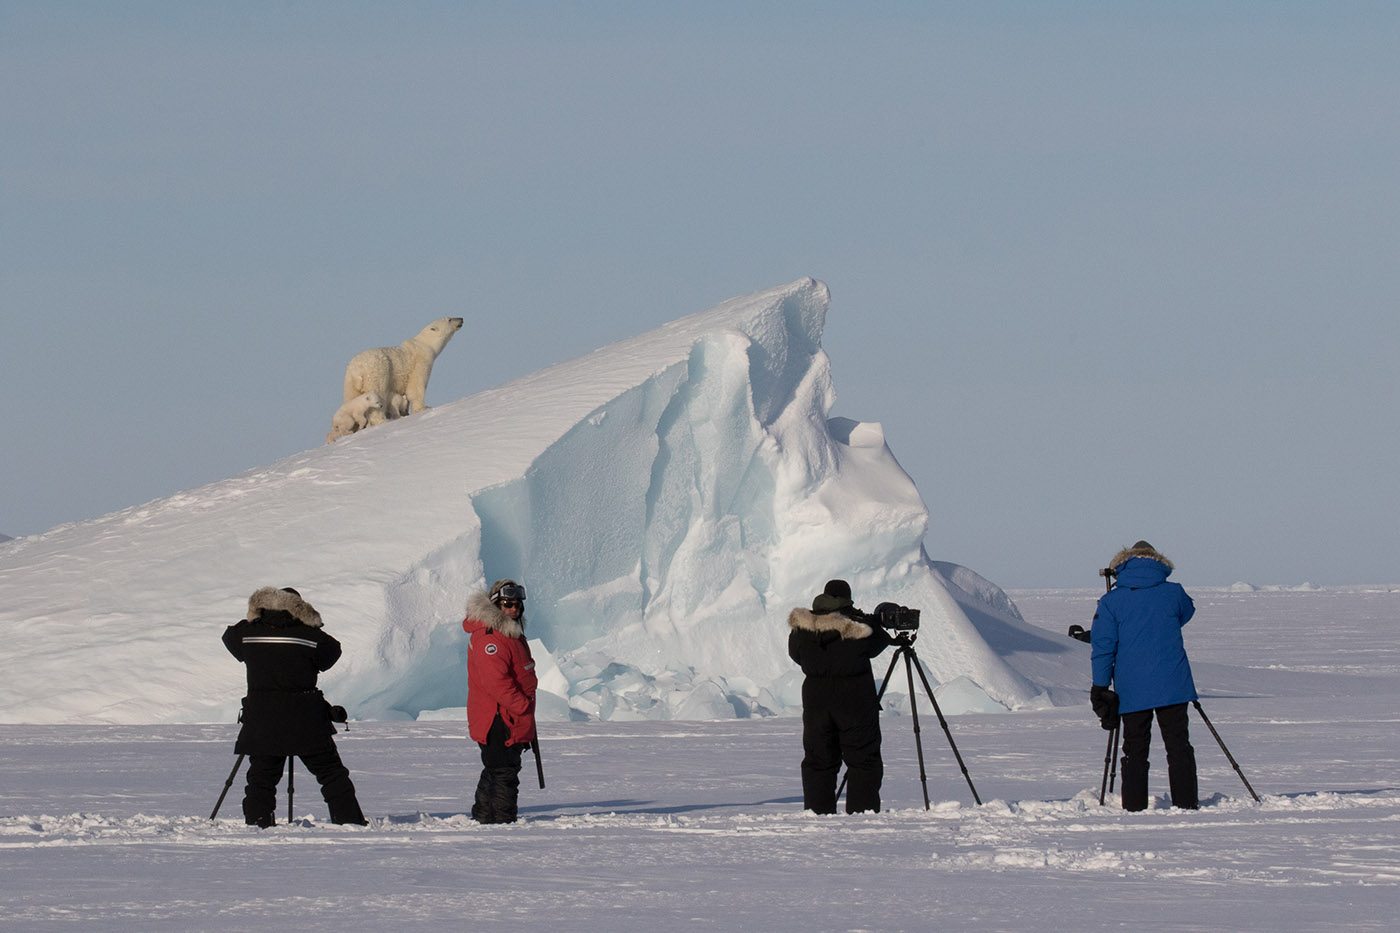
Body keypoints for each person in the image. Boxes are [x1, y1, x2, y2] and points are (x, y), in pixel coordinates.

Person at [221, 587, 367, 827]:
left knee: (262, 776)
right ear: (300, 608)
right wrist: (311, 623)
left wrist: (253, 616)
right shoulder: (309, 637)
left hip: (262, 717)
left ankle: (258, 823)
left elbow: (229, 636)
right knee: (330, 773)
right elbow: (332, 652)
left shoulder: (248, 634)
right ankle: (349, 820)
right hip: (306, 717)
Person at [1090, 541, 1199, 811]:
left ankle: (1134, 807)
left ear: (1121, 566)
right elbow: (1186, 613)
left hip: (1132, 686)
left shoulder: (1111, 601)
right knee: (1178, 744)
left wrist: (1100, 686)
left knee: (1135, 746)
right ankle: (1187, 804)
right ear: (1158, 563)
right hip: (1173, 681)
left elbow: (1103, 647)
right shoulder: (1174, 593)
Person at [787, 579, 893, 814]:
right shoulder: (857, 627)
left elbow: (796, 655)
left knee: (818, 761)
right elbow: (879, 643)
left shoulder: (802, 629)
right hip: (854, 700)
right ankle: (861, 816)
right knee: (863, 760)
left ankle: (817, 815)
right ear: (847, 600)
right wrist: (875, 622)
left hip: (816, 702)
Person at [462, 578, 538, 824]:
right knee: (504, 772)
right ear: (496, 606)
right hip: (498, 718)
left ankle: (485, 817)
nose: (513, 609)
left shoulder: (509, 633)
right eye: (507, 604)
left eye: (516, 604)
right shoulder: (491, 639)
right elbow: (497, 683)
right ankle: (502, 822)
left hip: (507, 716)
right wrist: (522, 705)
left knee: (496, 769)